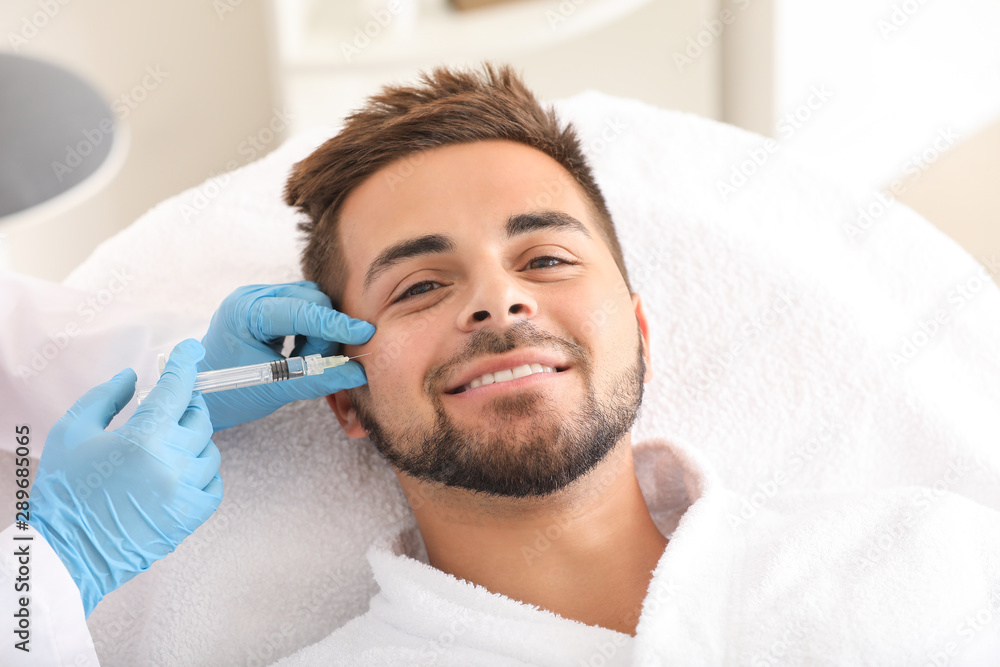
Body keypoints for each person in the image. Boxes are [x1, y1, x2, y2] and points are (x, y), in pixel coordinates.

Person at [6, 62, 1000, 666]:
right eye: (418, 288)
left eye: (547, 258)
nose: (499, 300)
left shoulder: (932, 568)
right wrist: (46, 573)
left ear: (641, 332)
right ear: (341, 397)